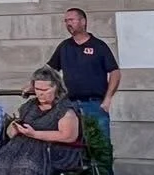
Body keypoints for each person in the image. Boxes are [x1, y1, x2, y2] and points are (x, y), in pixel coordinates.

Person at [46, 8, 120, 147]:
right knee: (73, 147)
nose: (68, 23)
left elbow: (115, 72)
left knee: (99, 147)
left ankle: (102, 170)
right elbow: (49, 71)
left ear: (83, 21)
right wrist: (32, 85)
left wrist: (108, 98)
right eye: (66, 21)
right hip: (70, 105)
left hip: (94, 105)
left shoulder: (99, 46)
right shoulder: (64, 46)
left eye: (71, 20)